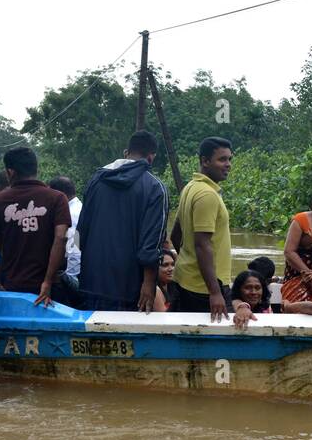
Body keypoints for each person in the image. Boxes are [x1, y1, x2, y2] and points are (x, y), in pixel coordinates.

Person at [77, 131, 169, 312]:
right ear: (151, 157)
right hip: (130, 288)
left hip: (91, 283)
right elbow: (152, 244)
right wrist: (149, 284)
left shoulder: (95, 180)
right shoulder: (155, 188)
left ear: (126, 152)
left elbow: (80, 234)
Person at [0, 147, 71, 306]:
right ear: (35, 168)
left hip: (10, 284)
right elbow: (61, 238)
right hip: (49, 288)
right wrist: (47, 282)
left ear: (10, 172)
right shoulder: (57, 198)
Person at [167, 137, 233, 320]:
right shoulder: (207, 195)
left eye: (229, 159)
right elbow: (202, 245)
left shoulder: (191, 187)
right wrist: (215, 292)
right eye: (222, 159)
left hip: (186, 280)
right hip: (204, 288)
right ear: (205, 161)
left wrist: (190, 263)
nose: (228, 164)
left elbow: (175, 235)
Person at [48, 175, 82, 282]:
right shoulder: (78, 207)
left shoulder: (71, 214)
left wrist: (69, 278)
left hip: (74, 274)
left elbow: (74, 250)